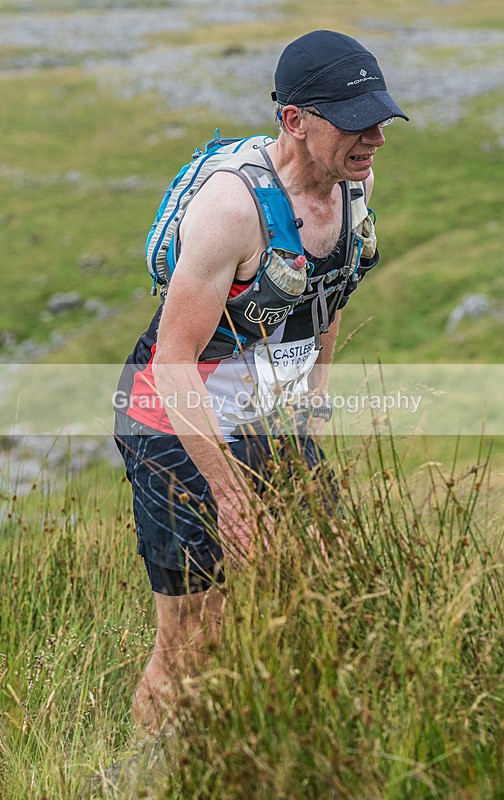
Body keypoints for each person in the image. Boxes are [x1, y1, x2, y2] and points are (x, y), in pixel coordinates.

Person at [114, 29, 408, 734]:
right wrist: (230, 494)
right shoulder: (231, 209)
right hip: (174, 420)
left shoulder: (353, 181)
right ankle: (144, 773)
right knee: (193, 641)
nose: (373, 137)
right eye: (354, 120)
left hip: (267, 414)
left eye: (379, 117)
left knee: (330, 591)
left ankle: (286, 746)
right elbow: (171, 362)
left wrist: (309, 401)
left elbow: (327, 291)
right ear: (294, 121)